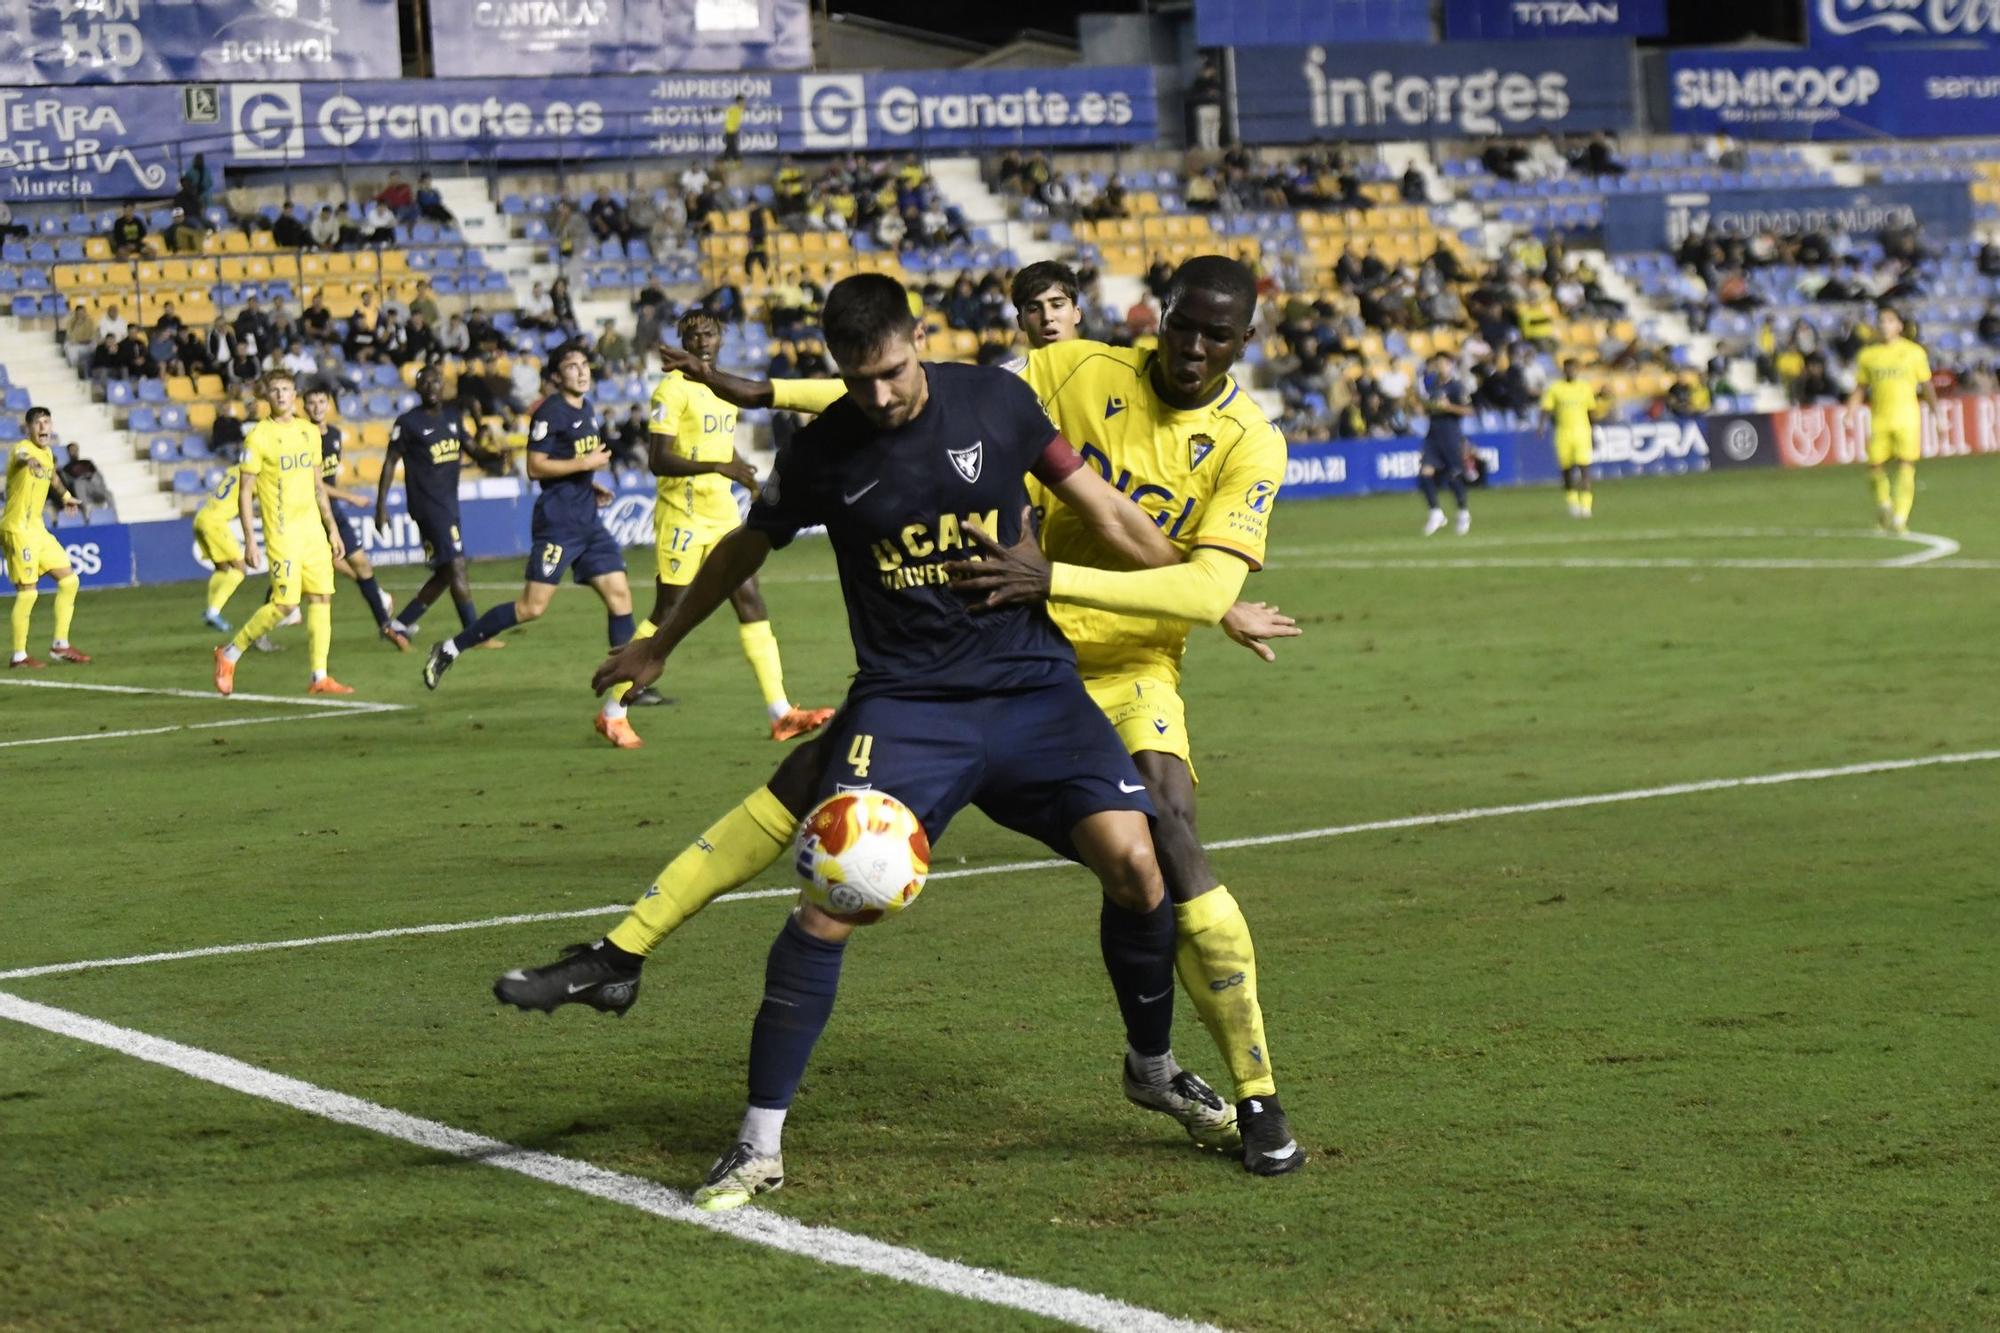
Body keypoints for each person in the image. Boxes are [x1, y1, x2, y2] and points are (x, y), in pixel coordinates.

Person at [499, 260, 1308, 1179]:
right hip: (932, 685)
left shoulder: (1109, 422)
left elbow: (1109, 511)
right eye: (859, 380)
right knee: (830, 865)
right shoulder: (910, 421)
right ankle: (726, 1096)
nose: (880, 396)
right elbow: (770, 518)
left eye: (893, 373)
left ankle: (1193, 1075)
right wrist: (662, 640)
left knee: (1152, 854)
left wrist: (1208, 595)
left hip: (1066, 675)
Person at [614, 309, 833, 735]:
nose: (701, 341)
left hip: (722, 514)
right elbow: (659, 460)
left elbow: (720, 446)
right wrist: (720, 466)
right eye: (693, 335)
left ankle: (780, 712)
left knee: (750, 601)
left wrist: (742, 471)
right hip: (682, 515)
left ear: (721, 338)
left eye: (709, 333)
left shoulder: (724, 388)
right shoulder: (671, 391)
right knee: (668, 611)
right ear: (683, 341)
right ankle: (613, 711)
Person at [420, 343, 641, 749]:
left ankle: (618, 703)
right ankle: (451, 647)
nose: (581, 371)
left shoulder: (586, 408)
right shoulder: (550, 411)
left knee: (620, 596)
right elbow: (535, 466)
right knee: (532, 608)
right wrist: (584, 467)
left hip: (587, 520)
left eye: (583, 365)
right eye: (571, 366)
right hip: (557, 523)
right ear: (556, 376)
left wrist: (589, 484)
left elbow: (570, 461)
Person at [211, 371, 351, 696]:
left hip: (313, 531)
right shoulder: (258, 437)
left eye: (286, 390)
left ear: (294, 394)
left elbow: (319, 487)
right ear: (267, 397)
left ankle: (319, 676)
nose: (281, 395)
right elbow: (246, 492)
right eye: (274, 391)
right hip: (282, 533)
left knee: (321, 597)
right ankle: (229, 654)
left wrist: (332, 529)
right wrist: (249, 539)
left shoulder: (309, 432)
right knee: (286, 605)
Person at [374, 367, 477, 649]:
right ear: (418, 389)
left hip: (448, 503)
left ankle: (399, 624)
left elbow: (473, 448)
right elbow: (390, 462)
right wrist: (380, 506)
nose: (432, 386)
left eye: (436, 380)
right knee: (456, 565)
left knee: (446, 572)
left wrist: (495, 453)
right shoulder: (408, 423)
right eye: (425, 382)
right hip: (427, 505)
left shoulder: (453, 417)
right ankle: (475, 633)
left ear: (444, 384)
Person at [301, 383, 400, 647]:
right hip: (310, 513)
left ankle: (385, 625)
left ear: (329, 404)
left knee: (362, 564)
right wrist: (351, 497)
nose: (317, 407)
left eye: (321, 402)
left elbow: (327, 480)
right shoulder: (302, 437)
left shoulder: (333, 435)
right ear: (304, 406)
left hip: (333, 510)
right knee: (300, 573)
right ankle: (264, 626)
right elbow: (314, 484)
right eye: (312, 403)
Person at [4, 408, 90, 669]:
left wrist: (65, 498)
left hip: (38, 530)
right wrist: (28, 461)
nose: (43, 427)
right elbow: (21, 456)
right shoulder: (22, 448)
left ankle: (60, 645)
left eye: (47, 422)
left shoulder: (49, 454)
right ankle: (19, 656)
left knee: (70, 580)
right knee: (28, 594)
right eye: (38, 423)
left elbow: (52, 476)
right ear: (29, 428)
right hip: (17, 529)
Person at [1847, 305, 1934, 534]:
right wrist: (1850, 411)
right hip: (1880, 419)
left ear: (1899, 326)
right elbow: (1860, 387)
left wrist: (1937, 414)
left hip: (1907, 418)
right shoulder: (1868, 355)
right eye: (1881, 321)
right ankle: (1885, 503)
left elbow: (1927, 385)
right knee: (1874, 466)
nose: (1884, 325)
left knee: (1906, 464)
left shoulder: (1915, 352)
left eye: (1889, 320)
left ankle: (1900, 517)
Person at [1417, 352, 1473, 536]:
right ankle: (1435, 512)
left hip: (1451, 436)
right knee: (1425, 473)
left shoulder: (1456, 387)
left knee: (1454, 476)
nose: (1440, 366)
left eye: (1444, 363)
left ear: (1450, 366)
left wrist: (1449, 407)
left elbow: (1468, 410)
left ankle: (1463, 512)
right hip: (1433, 436)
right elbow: (1428, 406)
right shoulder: (1432, 386)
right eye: (1438, 363)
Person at [1541, 358, 1603, 519]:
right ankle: (1573, 502)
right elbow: (1546, 408)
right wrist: (1541, 425)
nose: (1571, 371)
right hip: (1563, 433)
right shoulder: (1555, 388)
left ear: (1577, 370)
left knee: (1584, 468)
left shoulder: (1584, 388)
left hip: (1582, 432)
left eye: (1574, 369)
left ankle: (1586, 504)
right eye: (1568, 369)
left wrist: (1595, 432)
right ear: (1564, 370)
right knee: (1567, 471)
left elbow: (1591, 411)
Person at [193, 463, 249, 633]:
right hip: (215, 523)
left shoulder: (235, 469)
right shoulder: (253, 476)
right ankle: (213, 611)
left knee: (222, 569)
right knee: (240, 568)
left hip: (201, 517)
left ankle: (211, 611)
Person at [722, 94, 745, 161]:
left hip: (735, 129)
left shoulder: (741, 108)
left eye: (743, 101)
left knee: (731, 145)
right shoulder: (734, 108)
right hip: (730, 129)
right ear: (738, 101)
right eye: (742, 101)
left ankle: (729, 157)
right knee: (731, 145)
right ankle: (734, 157)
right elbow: (726, 109)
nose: (743, 103)